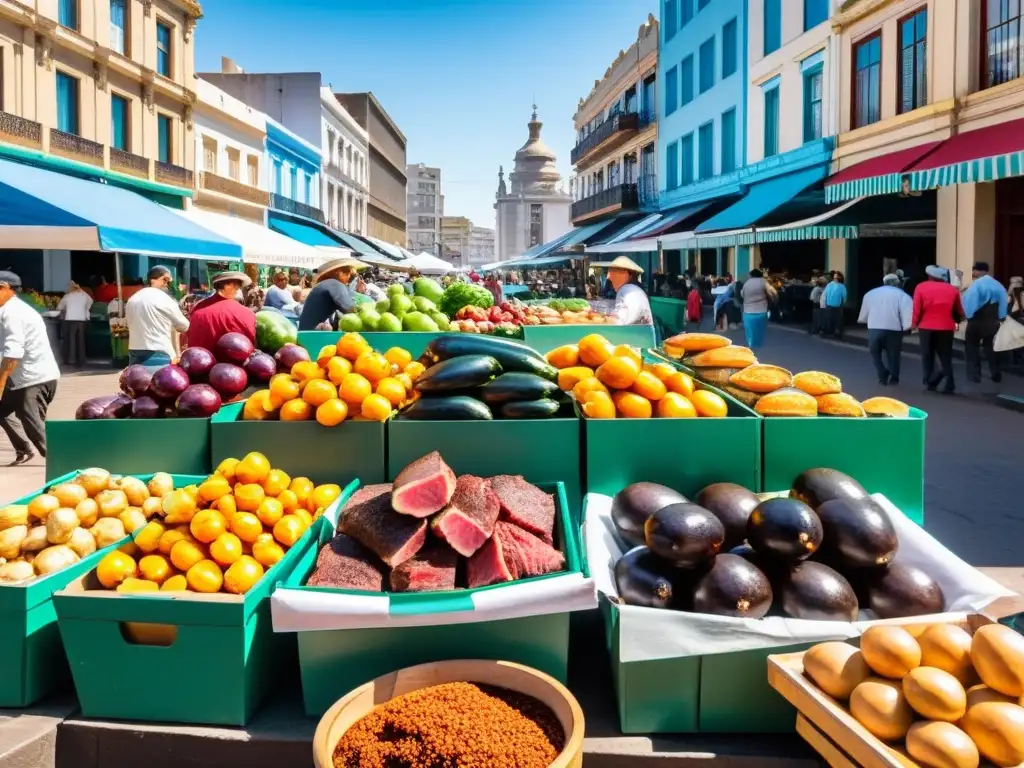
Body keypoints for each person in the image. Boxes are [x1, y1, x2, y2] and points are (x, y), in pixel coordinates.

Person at [0, 271, 61, 465]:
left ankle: (61, 461)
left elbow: (13, 351)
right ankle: (24, 448)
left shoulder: (12, 312)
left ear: (8, 289)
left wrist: (0, 383)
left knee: (32, 422)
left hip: (35, 378)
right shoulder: (7, 309)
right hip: (21, 378)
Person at [912, 265, 965, 394]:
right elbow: (959, 310)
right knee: (946, 356)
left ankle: (930, 381)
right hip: (946, 327)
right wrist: (962, 318)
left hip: (926, 327)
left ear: (929, 276)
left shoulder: (921, 287)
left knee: (927, 354)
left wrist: (914, 324)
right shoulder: (952, 290)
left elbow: (917, 308)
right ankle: (950, 384)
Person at [125, 266, 189, 368]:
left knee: (137, 381)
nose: (167, 284)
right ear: (152, 279)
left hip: (135, 350)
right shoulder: (165, 299)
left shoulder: (133, 299)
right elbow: (184, 326)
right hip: (159, 351)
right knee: (159, 382)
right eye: (166, 280)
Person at [858, 274, 913, 385]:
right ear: (896, 283)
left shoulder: (870, 294)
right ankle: (894, 376)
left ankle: (882, 372)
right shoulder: (902, 295)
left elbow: (864, 313)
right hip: (894, 329)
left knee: (874, 352)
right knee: (893, 354)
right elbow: (907, 312)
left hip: (874, 327)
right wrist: (908, 326)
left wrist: (863, 320)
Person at [185, 272, 257, 353]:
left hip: (199, 361)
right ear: (225, 286)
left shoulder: (198, 309)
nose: (238, 289)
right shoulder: (246, 313)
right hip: (235, 363)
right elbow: (250, 343)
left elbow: (191, 338)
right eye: (236, 285)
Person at [961, 261, 1008, 384]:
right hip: (993, 320)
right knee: (990, 346)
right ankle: (994, 371)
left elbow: (970, 302)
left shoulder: (976, 285)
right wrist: (1001, 317)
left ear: (978, 270)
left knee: (972, 346)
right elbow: (1004, 304)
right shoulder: (999, 286)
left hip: (977, 319)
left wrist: (966, 315)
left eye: (974, 270)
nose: (973, 273)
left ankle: (975, 375)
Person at [298, 257, 367, 331]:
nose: (350, 277)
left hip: (307, 332)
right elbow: (349, 308)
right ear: (339, 273)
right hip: (312, 335)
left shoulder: (326, 284)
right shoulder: (333, 283)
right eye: (348, 273)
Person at [602, 257, 652, 325]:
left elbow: (623, 320)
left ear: (630, 275)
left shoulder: (628, 289)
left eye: (615, 272)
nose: (610, 277)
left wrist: (604, 320)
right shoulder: (633, 288)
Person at [56, 281, 93, 366]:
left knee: (71, 340)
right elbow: (90, 302)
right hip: (82, 319)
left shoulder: (67, 296)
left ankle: (71, 359)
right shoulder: (84, 295)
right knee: (81, 340)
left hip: (70, 319)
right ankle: (82, 359)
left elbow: (59, 307)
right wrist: (85, 309)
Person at [741, 269, 770, 349]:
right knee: (760, 330)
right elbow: (771, 293)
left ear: (751, 275)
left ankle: (751, 344)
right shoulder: (764, 282)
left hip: (748, 312)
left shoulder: (747, 283)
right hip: (762, 311)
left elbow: (742, 295)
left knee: (749, 330)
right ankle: (757, 345)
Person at [822, 272, 848, 339]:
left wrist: (843, 303)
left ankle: (837, 332)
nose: (835, 278)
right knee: (829, 319)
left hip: (837, 305)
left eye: (836, 277)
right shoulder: (829, 285)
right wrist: (824, 303)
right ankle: (829, 332)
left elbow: (844, 296)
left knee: (837, 320)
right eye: (834, 277)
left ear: (839, 277)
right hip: (829, 305)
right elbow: (825, 294)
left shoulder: (842, 286)